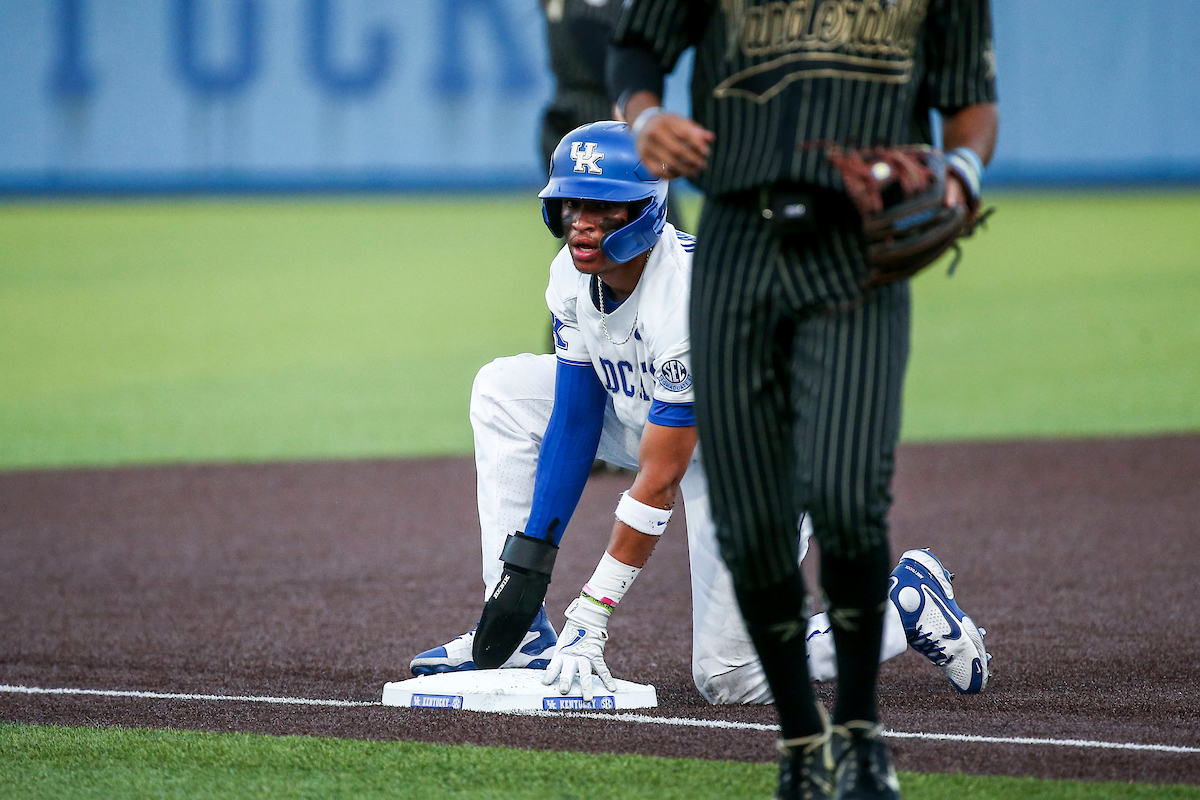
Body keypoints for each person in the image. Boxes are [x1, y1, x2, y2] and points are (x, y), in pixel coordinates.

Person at [410, 123, 990, 709]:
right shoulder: (570, 273)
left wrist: (592, 612)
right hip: (660, 418)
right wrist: (530, 566)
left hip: (759, 461)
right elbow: (576, 416)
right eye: (571, 202)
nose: (581, 221)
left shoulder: (687, 299)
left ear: (644, 209)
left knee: (731, 677)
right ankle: (521, 635)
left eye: (603, 205)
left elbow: (659, 479)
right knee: (503, 390)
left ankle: (904, 607)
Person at [606, 2, 999, 797]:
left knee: (850, 503)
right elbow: (636, 47)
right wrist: (644, 118)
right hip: (736, 248)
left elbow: (970, 101)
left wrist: (960, 175)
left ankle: (858, 730)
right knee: (751, 526)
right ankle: (798, 741)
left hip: (858, 253)